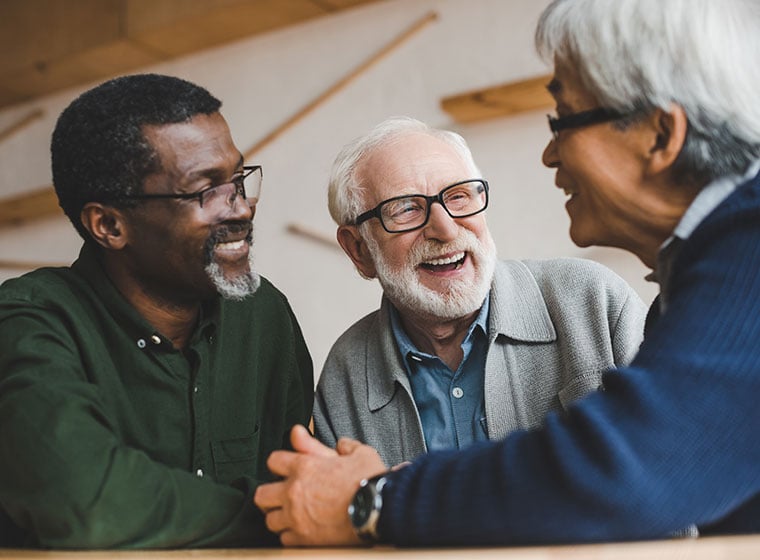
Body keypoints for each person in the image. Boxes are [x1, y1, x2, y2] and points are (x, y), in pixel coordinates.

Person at [254, 0, 760, 546]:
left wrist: (372, 501)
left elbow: (633, 470)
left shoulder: (746, 252)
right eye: (406, 208)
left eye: (562, 120)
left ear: (659, 136)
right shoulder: (706, 269)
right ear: (358, 251)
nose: (548, 154)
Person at [0, 74, 313, 548]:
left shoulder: (264, 314)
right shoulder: (28, 322)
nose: (242, 208)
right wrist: (279, 514)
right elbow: (88, 503)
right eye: (205, 190)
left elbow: (299, 479)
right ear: (109, 224)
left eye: (238, 180)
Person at [314, 116, 646, 467]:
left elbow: (681, 473)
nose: (444, 228)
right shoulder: (346, 372)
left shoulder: (593, 301)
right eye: (407, 209)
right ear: (358, 250)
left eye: (458, 197)